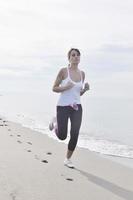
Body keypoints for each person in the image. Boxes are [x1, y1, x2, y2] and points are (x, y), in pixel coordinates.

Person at [49, 48, 89, 168]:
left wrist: (85, 90)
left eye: (78, 55)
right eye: (73, 55)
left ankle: (67, 159)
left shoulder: (82, 74)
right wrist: (66, 87)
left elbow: (78, 93)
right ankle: (55, 121)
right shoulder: (63, 71)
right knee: (62, 136)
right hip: (63, 106)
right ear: (69, 58)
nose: (76, 57)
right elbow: (54, 88)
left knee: (75, 133)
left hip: (77, 107)